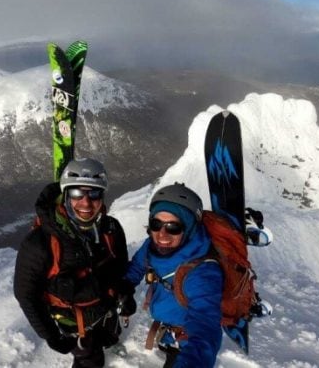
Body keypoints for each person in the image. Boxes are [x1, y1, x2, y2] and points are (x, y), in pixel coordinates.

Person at [13, 158, 129, 368]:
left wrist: (125, 294)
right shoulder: (40, 243)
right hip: (73, 321)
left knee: (110, 337)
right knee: (90, 359)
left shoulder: (110, 228)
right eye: (77, 193)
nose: (86, 202)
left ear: (102, 197)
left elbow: (120, 265)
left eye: (94, 193)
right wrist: (51, 336)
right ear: (65, 195)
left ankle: (107, 342)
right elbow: (26, 294)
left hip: (106, 309)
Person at [119, 183, 224, 368]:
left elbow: (205, 327)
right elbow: (137, 267)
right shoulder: (152, 246)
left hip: (186, 341)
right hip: (169, 331)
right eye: (156, 224)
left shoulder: (203, 271)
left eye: (173, 227)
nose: (162, 235)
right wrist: (125, 287)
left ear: (190, 228)